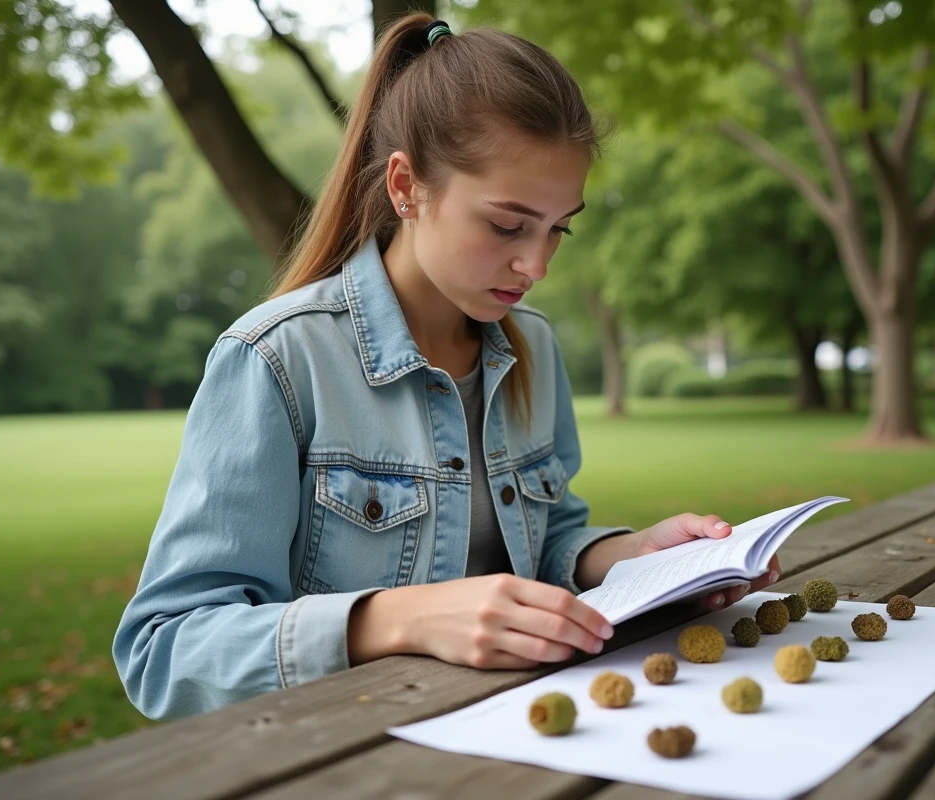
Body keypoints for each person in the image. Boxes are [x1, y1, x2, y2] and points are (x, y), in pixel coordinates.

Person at [113, 14, 781, 721]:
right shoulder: (277, 359)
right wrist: (401, 617)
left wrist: (636, 554)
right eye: (507, 225)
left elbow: (547, 537)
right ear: (407, 186)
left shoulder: (535, 348)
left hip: (527, 735)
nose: (538, 264)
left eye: (560, 227)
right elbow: (166, 649)